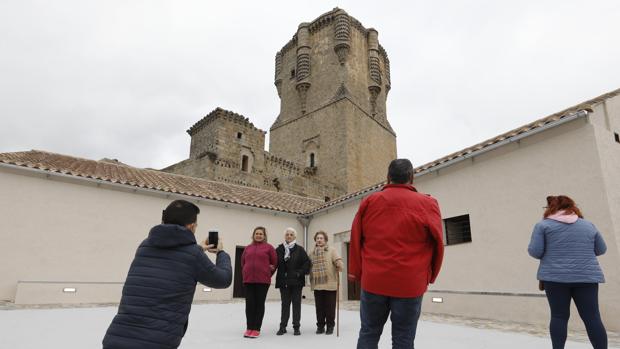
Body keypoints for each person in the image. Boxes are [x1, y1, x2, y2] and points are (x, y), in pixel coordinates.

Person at [102, 200, 232, 349]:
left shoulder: (145, 245)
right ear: (191, 226)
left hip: (117, 337)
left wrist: (197, 250)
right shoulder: (193, 255)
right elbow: (223, 279)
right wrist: (221, 253)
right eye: (196, 225)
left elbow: (172, 259)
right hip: (157, 341)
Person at [349, 158, 444, 349]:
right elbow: (438, 244)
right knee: (403, 338)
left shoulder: (370, 202)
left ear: (388, 177)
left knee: (369, 332)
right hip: (410, 283)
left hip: (374, 281)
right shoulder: (428, 204)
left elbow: (356, 239)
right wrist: (430, 275)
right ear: (411, 177)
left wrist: (356, 272)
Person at [528, 195, 608, 349]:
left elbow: (535, 252)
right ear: (572, 207)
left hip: (555, 278)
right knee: (592, 318)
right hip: (587, 278)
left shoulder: (543, 226)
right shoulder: (588, 225)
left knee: (559, 317)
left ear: (551, 208)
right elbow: (601, 249)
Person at [241, 226, 277, 339]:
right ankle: (249, 328)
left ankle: (256, 328)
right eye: (257, 233)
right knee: (249, 304)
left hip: (263, 281)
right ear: (253, 235)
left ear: (264, 236)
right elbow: (243, 263)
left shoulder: (269, 248)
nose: (258, 235)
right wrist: (245, 272)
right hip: (249, 280)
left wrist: (267, 273)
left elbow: (274, 263)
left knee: (259, 304)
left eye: (261, 234)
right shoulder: (248, 248)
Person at [275, 227, 311, 336]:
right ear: (284, 236)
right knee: (285, 305)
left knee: (296, 305)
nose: (289, 236)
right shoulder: (279, 249)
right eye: (287, 234)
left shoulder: (300, 249)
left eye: (291, 234)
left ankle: (296, 327)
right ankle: (283, 327)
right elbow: (273, 263)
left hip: (296, 282)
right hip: (284, 281)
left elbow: (307, 263)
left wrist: (299, 273)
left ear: (295, 236)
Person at [309, 231, 343, 335]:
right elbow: (308, 265)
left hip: (330, 283)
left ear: (325, 240)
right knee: (319, 307)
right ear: (315, 240)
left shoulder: (331, 250)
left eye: (321, 238)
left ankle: (330, 326)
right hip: (317, 284)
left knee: (330, 307)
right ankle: (320, 326)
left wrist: (338, 264)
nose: (319, 240)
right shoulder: (312, 253)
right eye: (317, 238)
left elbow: (339, 262)